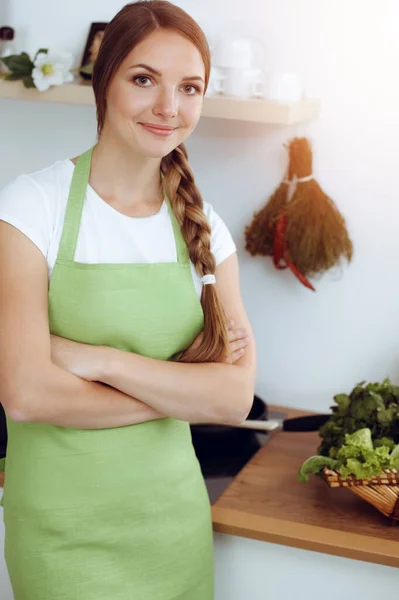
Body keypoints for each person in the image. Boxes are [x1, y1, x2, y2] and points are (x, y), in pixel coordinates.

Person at [0, 1, 256, 598]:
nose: (169, 108)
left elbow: (234, 397)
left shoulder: (205, 228)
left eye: (189, 87)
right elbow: (26, 395)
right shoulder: (28, 209)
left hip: (172, 525)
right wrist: (178, 392)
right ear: (105, 80)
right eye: (144, 80)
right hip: (61, 534)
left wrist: (103, 362)